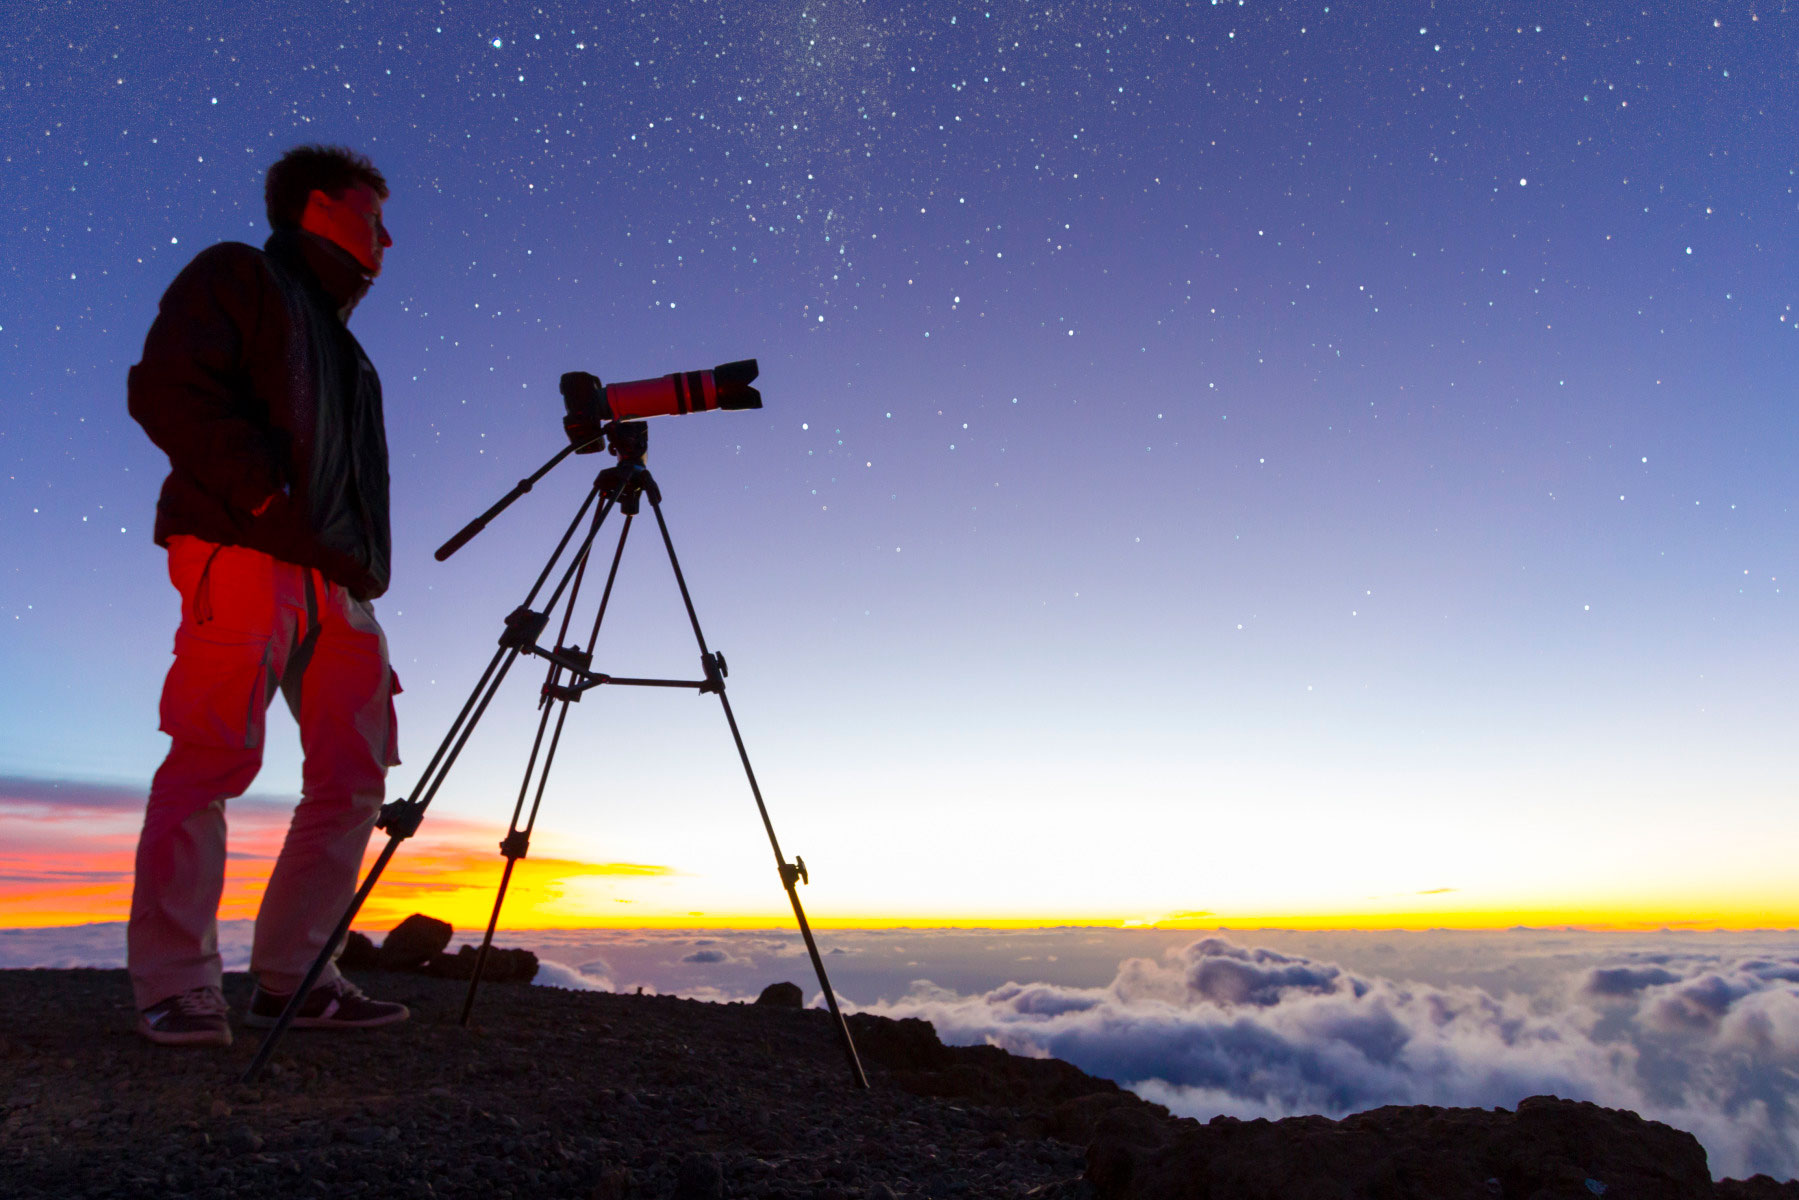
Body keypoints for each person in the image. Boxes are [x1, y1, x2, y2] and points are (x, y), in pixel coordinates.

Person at [126, 144, 408, 1045]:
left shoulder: (351, 353)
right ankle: (176, 984)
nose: (387, 238)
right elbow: (166, 388)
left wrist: (360, 567)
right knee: (211, 760)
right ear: (319, 207)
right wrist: (262, 498)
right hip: (244, 548)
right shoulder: (237, 274)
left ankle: (293, 975)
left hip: (340, 583)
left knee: (354, 778)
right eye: (373, 216)